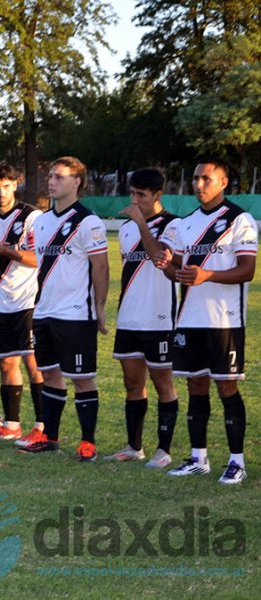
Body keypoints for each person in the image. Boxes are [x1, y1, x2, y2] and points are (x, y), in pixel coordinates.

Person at [156, 157, 257, 485]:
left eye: (206, 179)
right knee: (195, 385)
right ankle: (199, 457)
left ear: (224, 182)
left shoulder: (239, 220)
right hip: (190, 318)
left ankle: (236, 462)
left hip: (224, 320)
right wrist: (168, 265)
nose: (199, 184)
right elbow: (179, 273)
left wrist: (206, 275)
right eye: (196, 178)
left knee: (226, 386)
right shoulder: (183, 224)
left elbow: (247, 270)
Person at [19, 156, 109, 462]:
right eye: (50, 176)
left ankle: (88, 443)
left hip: (75, 314)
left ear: (77, 182)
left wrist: (99, 306)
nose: (51, 181)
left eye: (59, 177)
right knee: (50, 374)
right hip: (44, 311)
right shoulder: (41, 222)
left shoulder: (88, 222)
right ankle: (50, 437)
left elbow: (101, 267)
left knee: (82, 377)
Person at [105, 168, 179, 467]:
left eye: (142, 195)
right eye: (132, 194)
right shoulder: (125, 228)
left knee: (163, 383)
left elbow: (159, 258)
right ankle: (134, 446)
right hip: (129, 317)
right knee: (132, 383)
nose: (135, 201)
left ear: (157, 195)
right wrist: (135, 223)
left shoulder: (175, 225)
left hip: (160, 318)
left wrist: (142, 224)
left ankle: (164, 450)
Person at [0, 162, 45, 444]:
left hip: (28, 299)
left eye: (6, 186)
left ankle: (41, 425)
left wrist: (7, 251)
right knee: (6, 363)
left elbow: (38, 259)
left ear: (16, 184)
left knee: (33, 363)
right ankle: (11, 425)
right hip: (0, 301)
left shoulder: (32, 217)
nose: (1, 193)